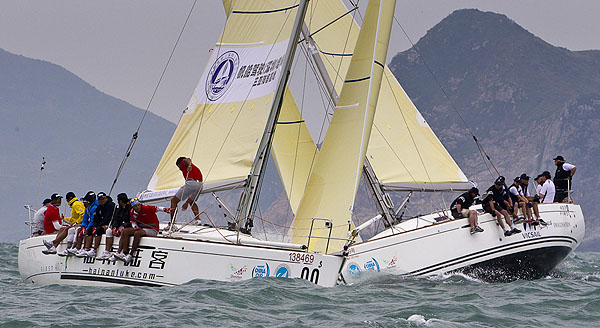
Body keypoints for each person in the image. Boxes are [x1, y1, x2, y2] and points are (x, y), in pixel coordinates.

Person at [111, 199, 170, 263]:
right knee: (125, 231)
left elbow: (158, 208)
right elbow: (133, 222)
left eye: (138, 205)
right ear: (133, 207)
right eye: (135, 206)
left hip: (152, 229)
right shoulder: (132, 212)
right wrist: (135, 226)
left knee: (137, 233)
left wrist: (166, 210)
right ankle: (124, 253)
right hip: (142, 227)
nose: (138, 207)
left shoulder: (146, 208)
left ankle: (131, 255)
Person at [78, 192, 115, 258]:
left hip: (108, 224)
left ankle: (95, 250)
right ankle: (86, 248)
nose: (101, 200)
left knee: (99, 230)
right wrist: (94, 226)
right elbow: (95, 219)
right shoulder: (98, 207)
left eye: (103, 198)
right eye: (99, 199)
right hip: (101, 224)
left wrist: (100, 226)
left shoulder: (111, 205)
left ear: (106, 198)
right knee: (89, 230)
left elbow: (108, 217)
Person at [97, 193, 132, 260]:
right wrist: (115, 227)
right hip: (120, 225)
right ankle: (107, 251)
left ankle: (119, 252)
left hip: (127, 226)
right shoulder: (119, 209)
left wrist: (123, 226)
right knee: (109, 231)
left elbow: (131, 221)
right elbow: (116, 219)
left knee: (123, 231)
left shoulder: (130, 209)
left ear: (120, 201)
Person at [170, 157, 203, 223]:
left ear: (179, 164)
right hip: (200, 185)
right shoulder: (195, 168)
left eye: (178, 167)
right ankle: (198, 220)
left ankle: (172, 223)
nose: (180, 169)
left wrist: (189, 165)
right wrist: (186, 203)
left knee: (174, 201)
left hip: (191, 183)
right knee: (191, 202)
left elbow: (187, 160)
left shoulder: (183, 163)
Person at [70, 191, 98, 256]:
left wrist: (88, 227)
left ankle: (86, 248)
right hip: (88, 224)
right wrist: (83, 226)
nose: (83, 204)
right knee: (79, 230)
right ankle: (77, 248)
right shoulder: (87, 208)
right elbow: (85, 219)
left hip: (94, 224)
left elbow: (93, 220)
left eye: (84, 202)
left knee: (88, 231)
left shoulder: (94, 208)